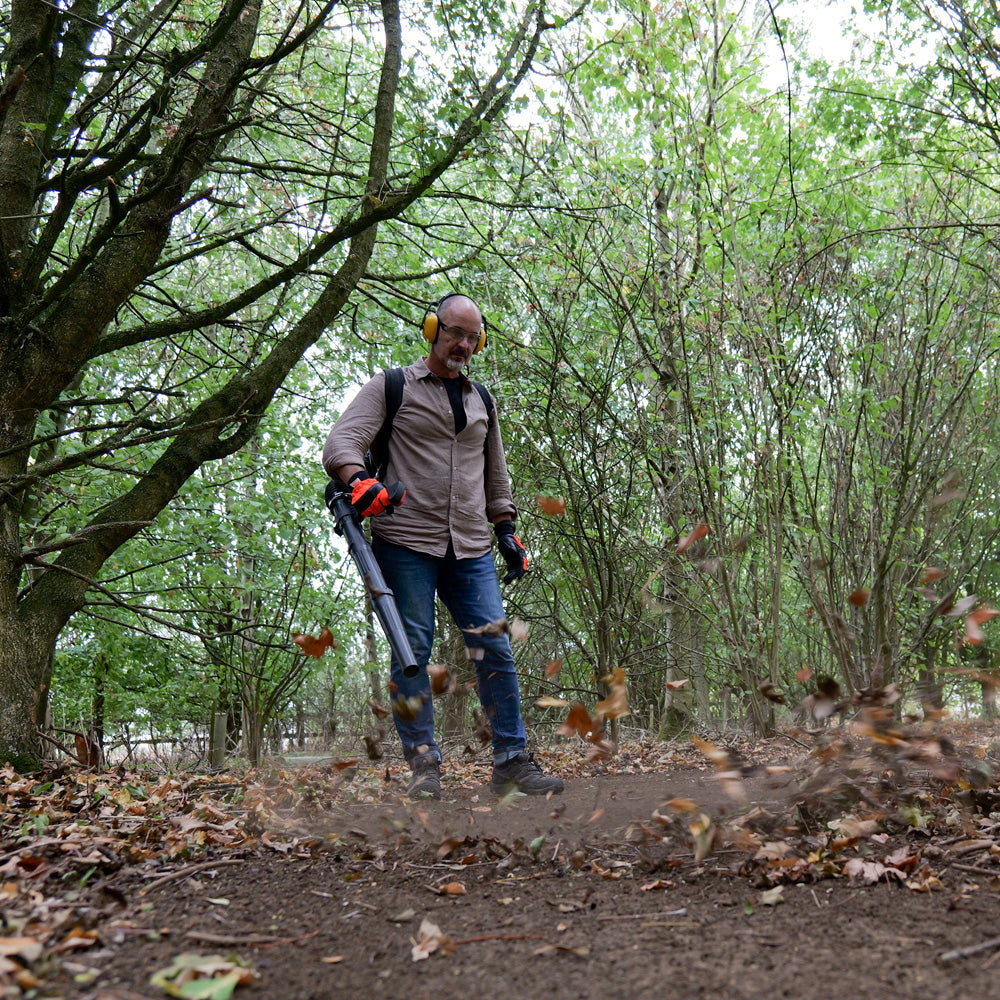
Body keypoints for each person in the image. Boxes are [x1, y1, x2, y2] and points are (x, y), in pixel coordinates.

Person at [322, 293, 564, 799]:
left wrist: (506, 530)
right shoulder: (392, 387)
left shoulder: (483, 402)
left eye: (473, 337)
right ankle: (424, 768)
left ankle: (512, 761)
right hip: (406, 540)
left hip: (472, 546)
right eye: (454, 332)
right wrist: (360, 479)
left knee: (494, 646)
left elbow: (494, 474)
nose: (463, 344)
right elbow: (341, 443)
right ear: (432, 329)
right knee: (412, 652)